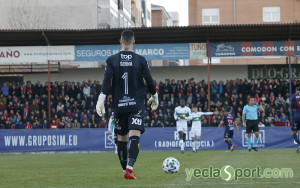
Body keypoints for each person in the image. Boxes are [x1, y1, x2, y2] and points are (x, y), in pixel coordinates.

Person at [96, 30, 158, 180]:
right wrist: (155, 96)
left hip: (120, 106)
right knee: (134, 136)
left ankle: (126, 170)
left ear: (120, 41)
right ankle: (129, 168)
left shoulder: (111, 60)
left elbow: (107, 81)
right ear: (134, 42)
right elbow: (149, 81)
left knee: (122, 140)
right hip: (136, 105)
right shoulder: (141, 60)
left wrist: (101, 99)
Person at [291, 86, 300, 153]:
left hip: (297, 115)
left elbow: (292, 107)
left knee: (293, 132)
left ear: (296, 90)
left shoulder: (294, 96)